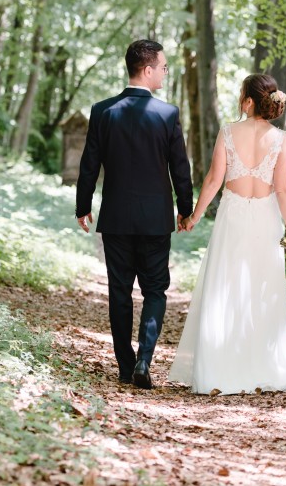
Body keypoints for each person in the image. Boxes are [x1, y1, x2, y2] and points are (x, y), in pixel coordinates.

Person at [168, 74, 286, 395]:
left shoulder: (229, 132)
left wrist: (193, 218)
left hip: (233, 217)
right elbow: (284, 190)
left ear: (248, 100)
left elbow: (214, 180)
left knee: (226, 287)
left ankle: (220, 369)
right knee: (262, 288)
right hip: (266, 218)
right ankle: (263, 368)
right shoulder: (280, 139)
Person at [76, 39, 194, 389]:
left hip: (115, 218)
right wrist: (184, 210)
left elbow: (89, 165)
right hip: (156, 219)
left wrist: (83, 206)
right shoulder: (168, 114)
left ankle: (126, 366)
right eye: (163, 65)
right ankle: (145, 358)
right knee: (156, 289)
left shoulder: (103, 111)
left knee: (120, 290)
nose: (165, 71)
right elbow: (180, 170)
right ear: (147, 69)